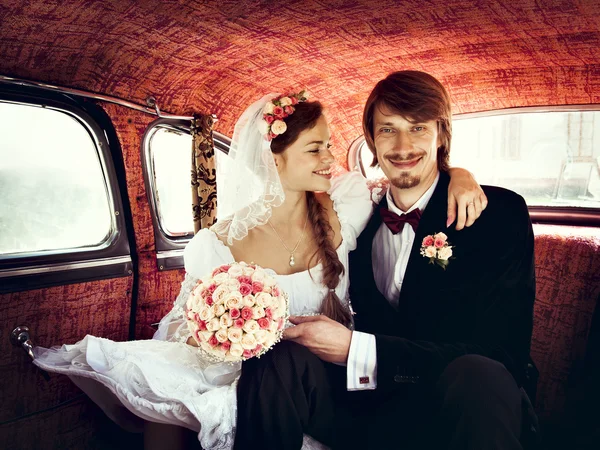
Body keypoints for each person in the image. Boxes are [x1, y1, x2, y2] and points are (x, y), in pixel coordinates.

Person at [32, 89, 485, 450]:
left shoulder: (346, 203)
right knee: (173, 389)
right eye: (315, 149)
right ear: (274, 160)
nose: (331, 157)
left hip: (341, 372)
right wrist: (222, 330)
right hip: (262, 371)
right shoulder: (218, 243)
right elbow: (182, 328)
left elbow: (410, 179)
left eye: (330, 144)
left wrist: (459, 172)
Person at [234, 72, 536, 450]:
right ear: (372, 142)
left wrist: (356, 349)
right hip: (373, 408)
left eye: (418, 128)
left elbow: (501, 354)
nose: (403, 145)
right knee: (276, 357)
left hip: (464, 407)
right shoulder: (357, 215)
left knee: (480, 373)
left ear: (441, 135)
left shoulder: (497, 214)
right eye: (388, 130)